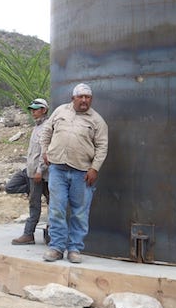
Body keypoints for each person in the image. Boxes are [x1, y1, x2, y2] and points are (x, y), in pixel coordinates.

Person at [40, 83, 108, 264]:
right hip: (58, 169)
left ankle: (75, 248)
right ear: (73, 98)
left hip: (82, 172)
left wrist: (95, 168)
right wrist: (45, 151)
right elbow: (46, 131)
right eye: (81, 97)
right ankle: (56, 247)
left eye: (88, 97)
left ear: (91, 99)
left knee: (79, 212)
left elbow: (102, 146)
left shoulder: (97, 120)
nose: (84, 100)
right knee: (56, 209)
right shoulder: (60, 112)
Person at [12, 98, 51, 246]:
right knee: (14, 188)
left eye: (36, 109)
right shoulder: (36, 127)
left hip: (41, 175)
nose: (33, 112)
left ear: (44, 110)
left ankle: (31, 234)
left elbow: (45, 152)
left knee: (40, 205)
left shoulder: (47, 127)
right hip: (32, 173)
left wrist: (40, 170)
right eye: (32, 109)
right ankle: (33, 234)